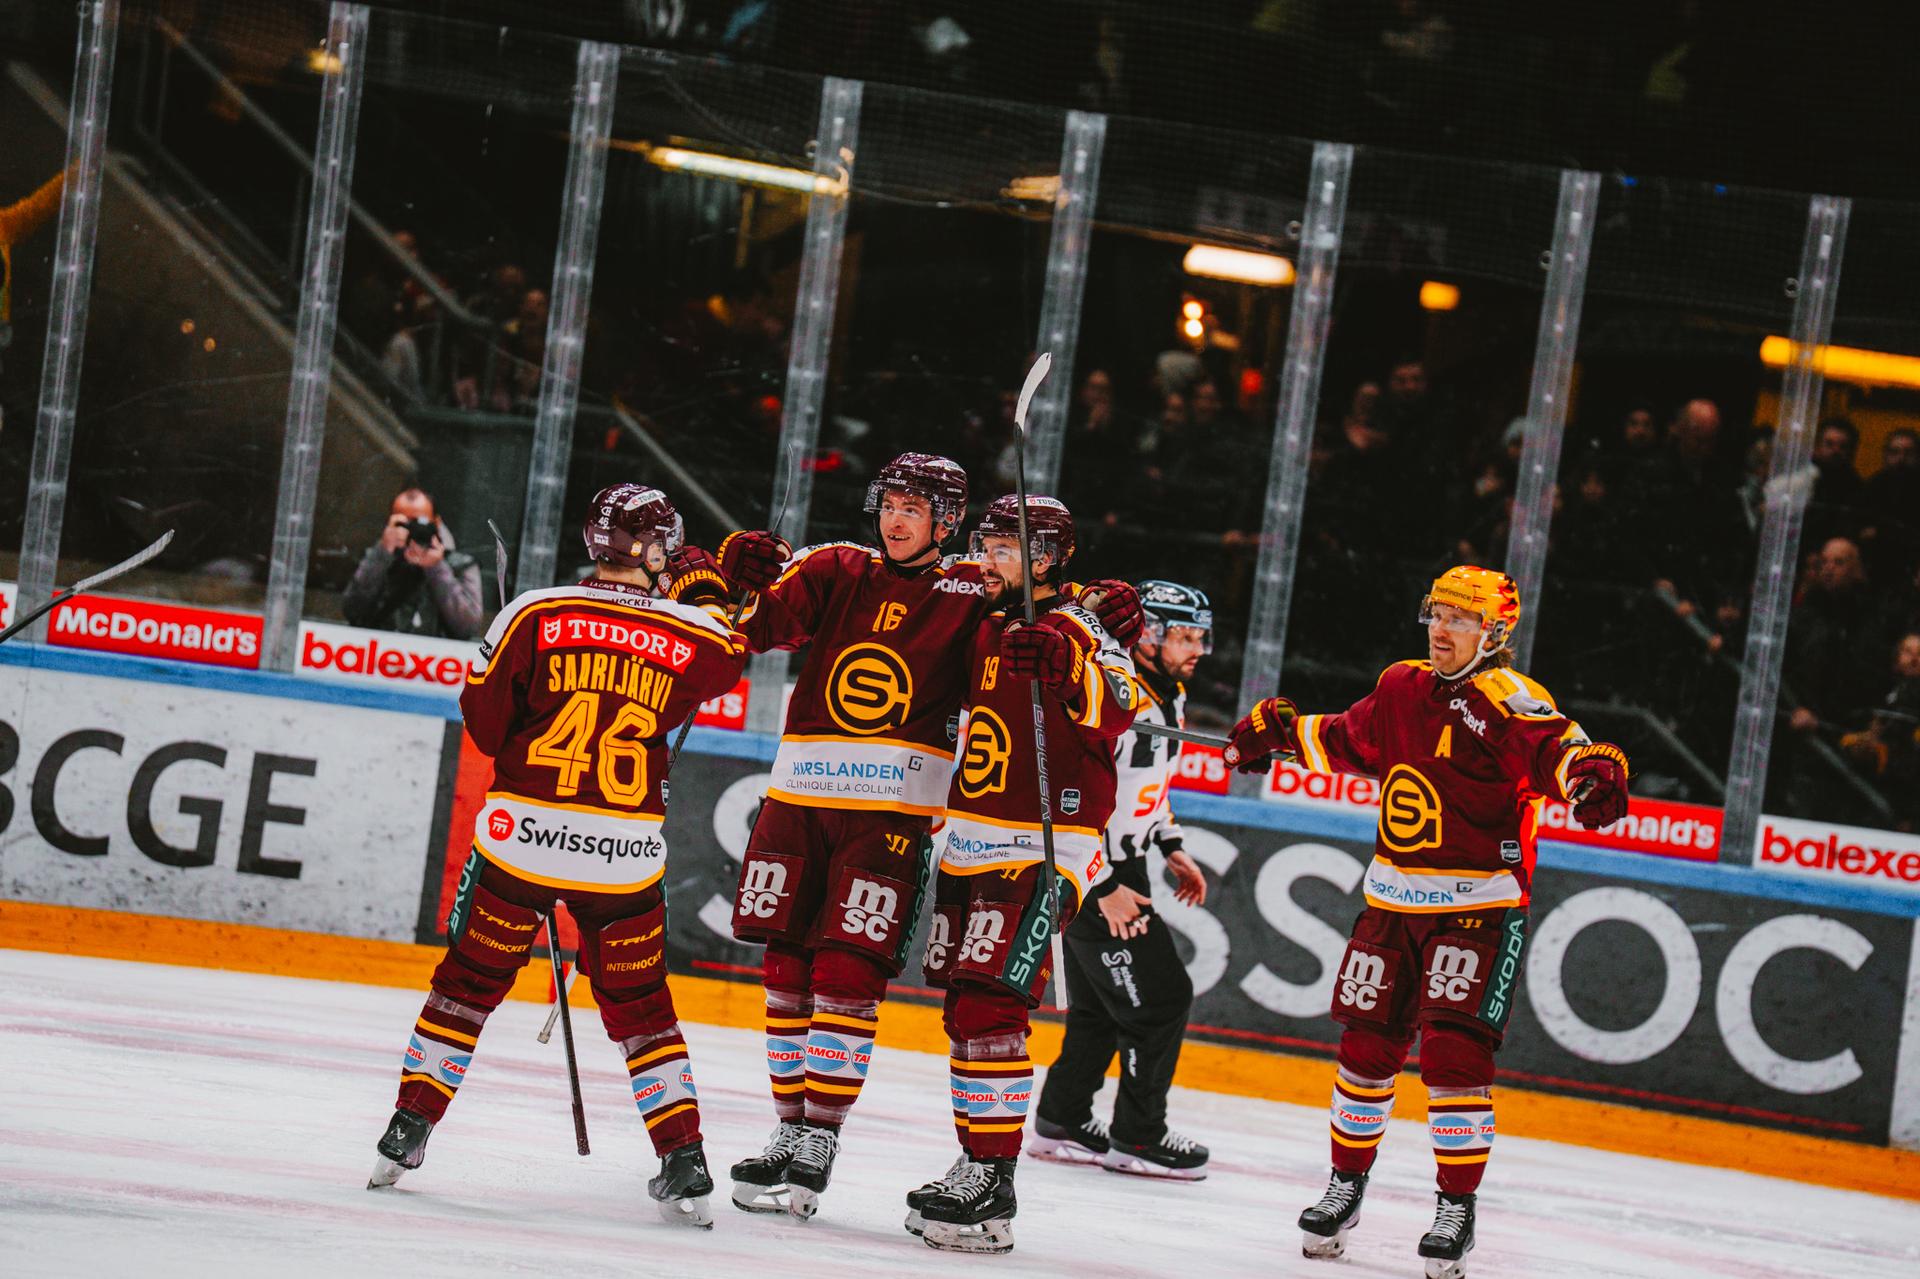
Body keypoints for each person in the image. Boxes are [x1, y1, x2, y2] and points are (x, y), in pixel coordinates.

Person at [714, 454, 1145, 1223]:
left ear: (945, 521)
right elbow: (747, 629)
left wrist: (1093, 612)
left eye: (915, 508)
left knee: (880, 981)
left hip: (919, 820)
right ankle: (799, 1129)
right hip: (859, 812)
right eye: (890, 504)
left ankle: (898, 1154)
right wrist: (726, 579)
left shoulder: (982, 595)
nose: (896, 519)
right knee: (795, 971)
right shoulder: (848, 568)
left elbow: (1109, 682)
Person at [1222, 565, 1629, 1279]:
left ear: (1493, 633)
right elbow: (1349, 738)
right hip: (1392, 901)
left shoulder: (1510, 698)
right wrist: (1282, 735)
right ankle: (1345, 1187)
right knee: (1364, 1051)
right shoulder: (1401, 685)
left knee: (1453, 1060)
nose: (1441, 629)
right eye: (1437, 613)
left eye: (1460, 619)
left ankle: (1455, 1209)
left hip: (1478, 908)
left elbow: (1558, 749)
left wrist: (1587, 774)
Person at [366, 484, 746, 1228]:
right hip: (621, 857)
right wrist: (703, 589)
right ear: (655, 549)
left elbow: (484, 726)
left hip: (524, 843)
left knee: (467, 985)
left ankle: (408, 1128)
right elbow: (730, 657)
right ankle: (684, 1157)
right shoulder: (691, 629)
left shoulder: (533, 612)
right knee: (642, 1008)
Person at [905, 493, 1139, 1255]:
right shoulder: (985, 618)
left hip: (1045, 845)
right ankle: (976, 1159)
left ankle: (993, 1175)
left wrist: (1068, 666)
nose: (987, 559)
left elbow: (1120, 702)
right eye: (985, 544)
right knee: (964, 1009)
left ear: (1046, 558)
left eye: (1006, 548)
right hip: (972, 841)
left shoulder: (1077, 629)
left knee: (992, 1005)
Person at [1032, 579, 1214, 1180]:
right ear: (1150, 636)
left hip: (1118, 865)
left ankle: (1061, 1118)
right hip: (1093, 868)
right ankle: (1139, 1136)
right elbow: (1075, 791)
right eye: (1186, 636)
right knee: (1160, 1001)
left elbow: (1145, 792)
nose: (1198, 649)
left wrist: (1171, 844)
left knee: (1101, 1007)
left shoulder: (1168, 695)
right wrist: (1105, 884)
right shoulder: (1118, 697)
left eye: (1201, 638)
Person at [341, 488, 485, 638]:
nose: (412, 530)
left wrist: (436, 568)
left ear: (436, 522)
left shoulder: (461, 565)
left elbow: (468, 626)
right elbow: (352, 611)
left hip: (436, 651)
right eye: (405, 524)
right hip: (381, 649)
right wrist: (383, 553)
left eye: (419, 523)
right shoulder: (378, 558)